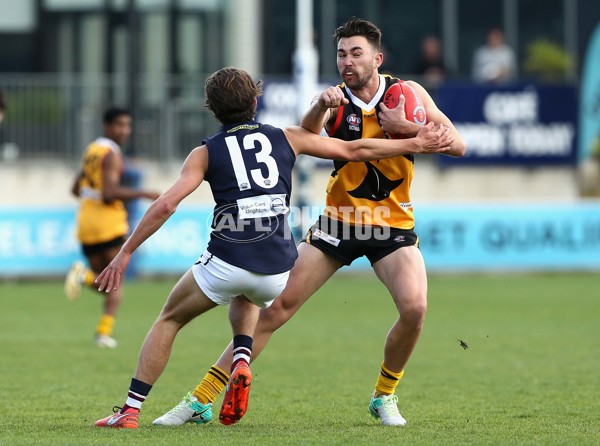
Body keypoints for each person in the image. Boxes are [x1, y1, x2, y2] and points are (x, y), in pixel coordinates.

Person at [93, 66, 454, 429]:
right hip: (276, 267)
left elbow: (166, 205)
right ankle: (238, 361)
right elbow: (355, 149)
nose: (347, 58)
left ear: (211, 108)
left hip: (231, 257)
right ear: (255, 100)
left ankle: (130, 409)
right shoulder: (287, 136)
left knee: (170, 318)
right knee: (250, 294)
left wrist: (125, 253)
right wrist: (414, 143)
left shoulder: (203, 153)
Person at [65, 107, 160, 348]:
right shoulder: (112, 154)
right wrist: (144, 193)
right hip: (108, 224)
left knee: (106, 283)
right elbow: (109, 193)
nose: (125, 131)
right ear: (107, 126)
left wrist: (93, 193)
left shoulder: (92, 150)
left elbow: (76, 189)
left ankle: (87, 285)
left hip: (86, 222)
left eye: (127, 125)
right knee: (115, 283)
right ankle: (102, 332)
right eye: (120, 125)